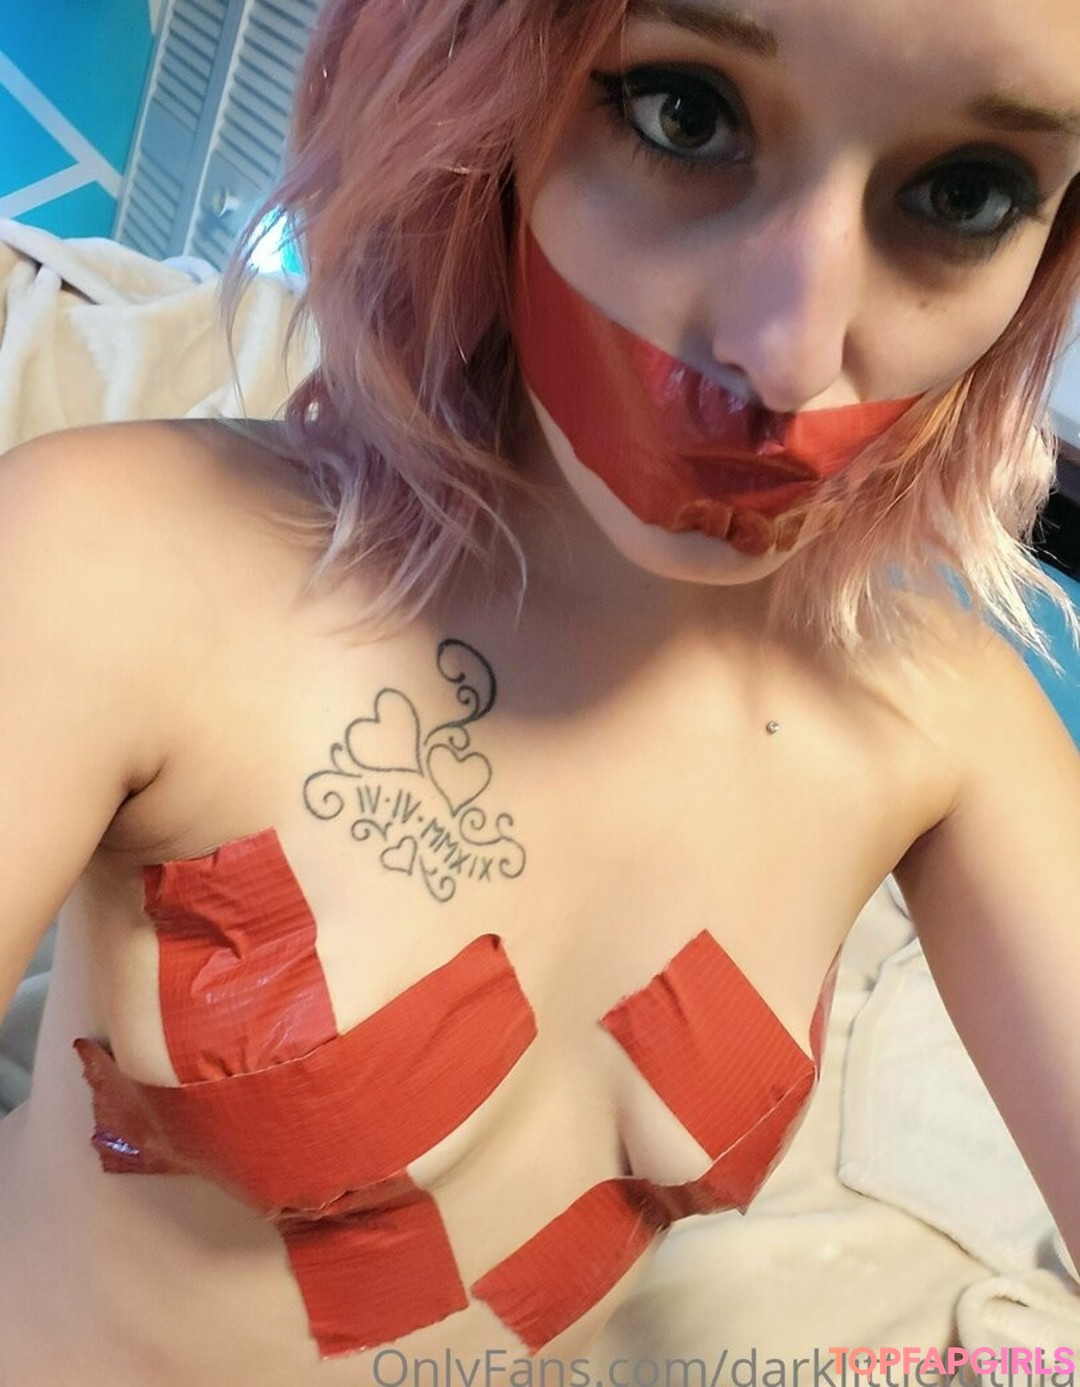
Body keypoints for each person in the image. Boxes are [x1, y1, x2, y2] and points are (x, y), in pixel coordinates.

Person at [1, 0, 1079, 1380]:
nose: (789, 355)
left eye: (963, 194)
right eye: (685, 114)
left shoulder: (944, 725)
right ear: (472, 93)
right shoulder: (115, 560)